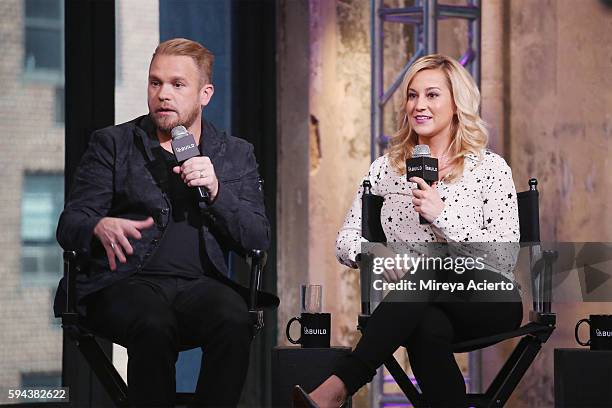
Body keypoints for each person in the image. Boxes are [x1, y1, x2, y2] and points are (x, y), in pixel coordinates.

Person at [53, 38, 277, 407]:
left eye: (177, 84)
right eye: (155, 83)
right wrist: (97, 226)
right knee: (154, 323)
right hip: (125, 283)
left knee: (234, 319)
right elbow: (69, 225)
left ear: (205, 94)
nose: (163, 95)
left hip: (200, 286)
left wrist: (218, 191)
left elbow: (257, 238)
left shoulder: (234, 153)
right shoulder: (114, 143)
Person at [293, 54, 523, 407]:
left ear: (456, 103)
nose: (419, 105)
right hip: (417, 304)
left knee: (429, 267)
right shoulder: (386, 170)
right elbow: (345, 241)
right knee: (426, 328)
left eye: (432, 95)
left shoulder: (489, 168)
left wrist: (442, 215)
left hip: (487, 296)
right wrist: (376, 252)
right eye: (412, 95)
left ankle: (342, 384)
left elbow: (505, 256)